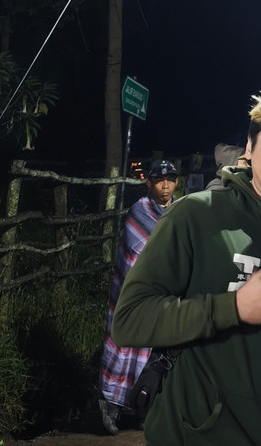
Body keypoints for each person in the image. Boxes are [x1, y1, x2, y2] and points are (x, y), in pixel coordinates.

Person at [112, 87, 261, 445]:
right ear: (250, 148)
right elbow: (129, 321)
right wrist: (232, 307)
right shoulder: (195, 216)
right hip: (201, 434)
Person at [97, 159, 179, 434]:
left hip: (162, 298)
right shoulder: (140, 211)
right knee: (123, 347)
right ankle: (109, 403)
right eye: (159, 180)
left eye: (170, 180)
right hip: (131, 295)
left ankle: (140, 405)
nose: (165, 186)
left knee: (151, 352)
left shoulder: (180, 211)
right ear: (149, 183)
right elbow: (138, 252)